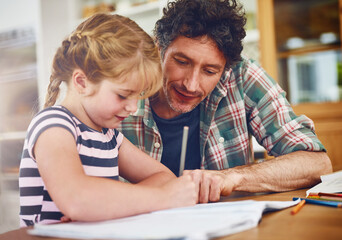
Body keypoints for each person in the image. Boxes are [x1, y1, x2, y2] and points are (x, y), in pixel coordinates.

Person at [118, 0, 332, 203]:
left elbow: (316, 163)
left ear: (226, 69)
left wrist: (232, 177)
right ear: (159, 49)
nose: (191, 85)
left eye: (210, 71)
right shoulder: (120, 88)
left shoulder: (242, 76)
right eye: (182, 61)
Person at [18, 13, 198, 227]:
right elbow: (77, 199)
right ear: (82, 82)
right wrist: (163, 199)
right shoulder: (53, 127)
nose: (132, 107)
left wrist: (106, 205)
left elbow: (164, 176)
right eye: (123, 95)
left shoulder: (109, 137)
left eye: (138, 96)